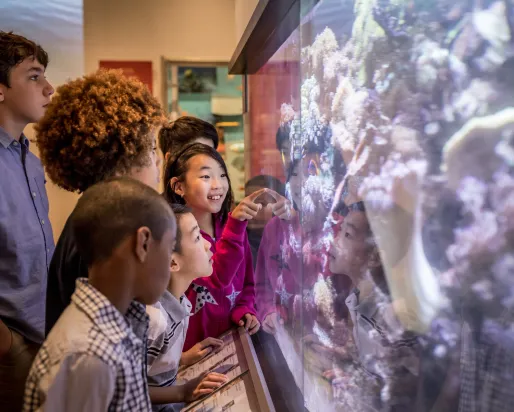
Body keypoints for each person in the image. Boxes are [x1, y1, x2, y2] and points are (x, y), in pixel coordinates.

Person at [23, 177, 177, 412]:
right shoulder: (88, 356)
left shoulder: (118, 325)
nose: (170, 263)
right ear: (143, 243)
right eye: (169, 247)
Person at [41, 69, 166, 334]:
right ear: (122, 154)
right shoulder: (107, 229)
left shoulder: (92, 215)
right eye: (152, 148)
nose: (158, 161)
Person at [326, 178, 420, 410]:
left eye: (347, 235)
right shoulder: (359, 298)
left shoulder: (394, 315)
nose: (334, 240)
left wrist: (365, 386)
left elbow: (407, 389)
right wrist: (352, 367)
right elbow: (377, 366)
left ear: (376, 256)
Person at [0, 31, 55, 411]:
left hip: (44, 336)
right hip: (10, 349)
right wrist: (7, 346)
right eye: (34, 76)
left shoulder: (31, 161)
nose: (49, 88)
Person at [164, 143, 264, 350]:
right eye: (206, 177)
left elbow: (248, 283)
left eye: (222, 175)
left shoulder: (232, 226)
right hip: (192, 351)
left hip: (231, 344)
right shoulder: (178, 236)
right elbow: (217, 278)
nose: (218, 184)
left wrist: (244, 309)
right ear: (179, 186)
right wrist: (236, 226)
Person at [146, 204, 228, 411]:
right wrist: (182, 392)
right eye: (198, 238)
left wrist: (182, 358)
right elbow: (127, 388)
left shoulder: (181, 302)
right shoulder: (153, 318)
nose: (208, 245)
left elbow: (151, 367)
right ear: (173, 263)